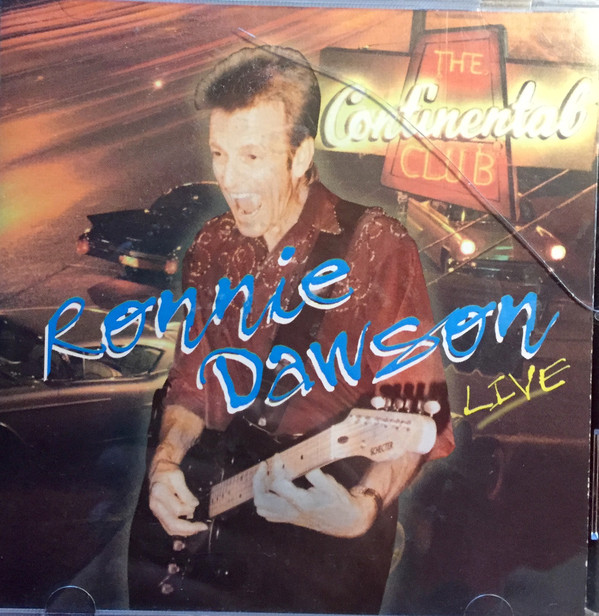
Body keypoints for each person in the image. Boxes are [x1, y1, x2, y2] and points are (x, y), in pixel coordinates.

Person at [129, 44, 454, 613]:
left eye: (252, 156)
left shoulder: (376, 246)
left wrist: (363, 509)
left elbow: (420, 411)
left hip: (319, 533)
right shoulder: (214, 244)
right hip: (206, 524)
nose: (230, 179)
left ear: (301, 153)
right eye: (219, 154)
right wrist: (165, 465)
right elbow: (191, 384)